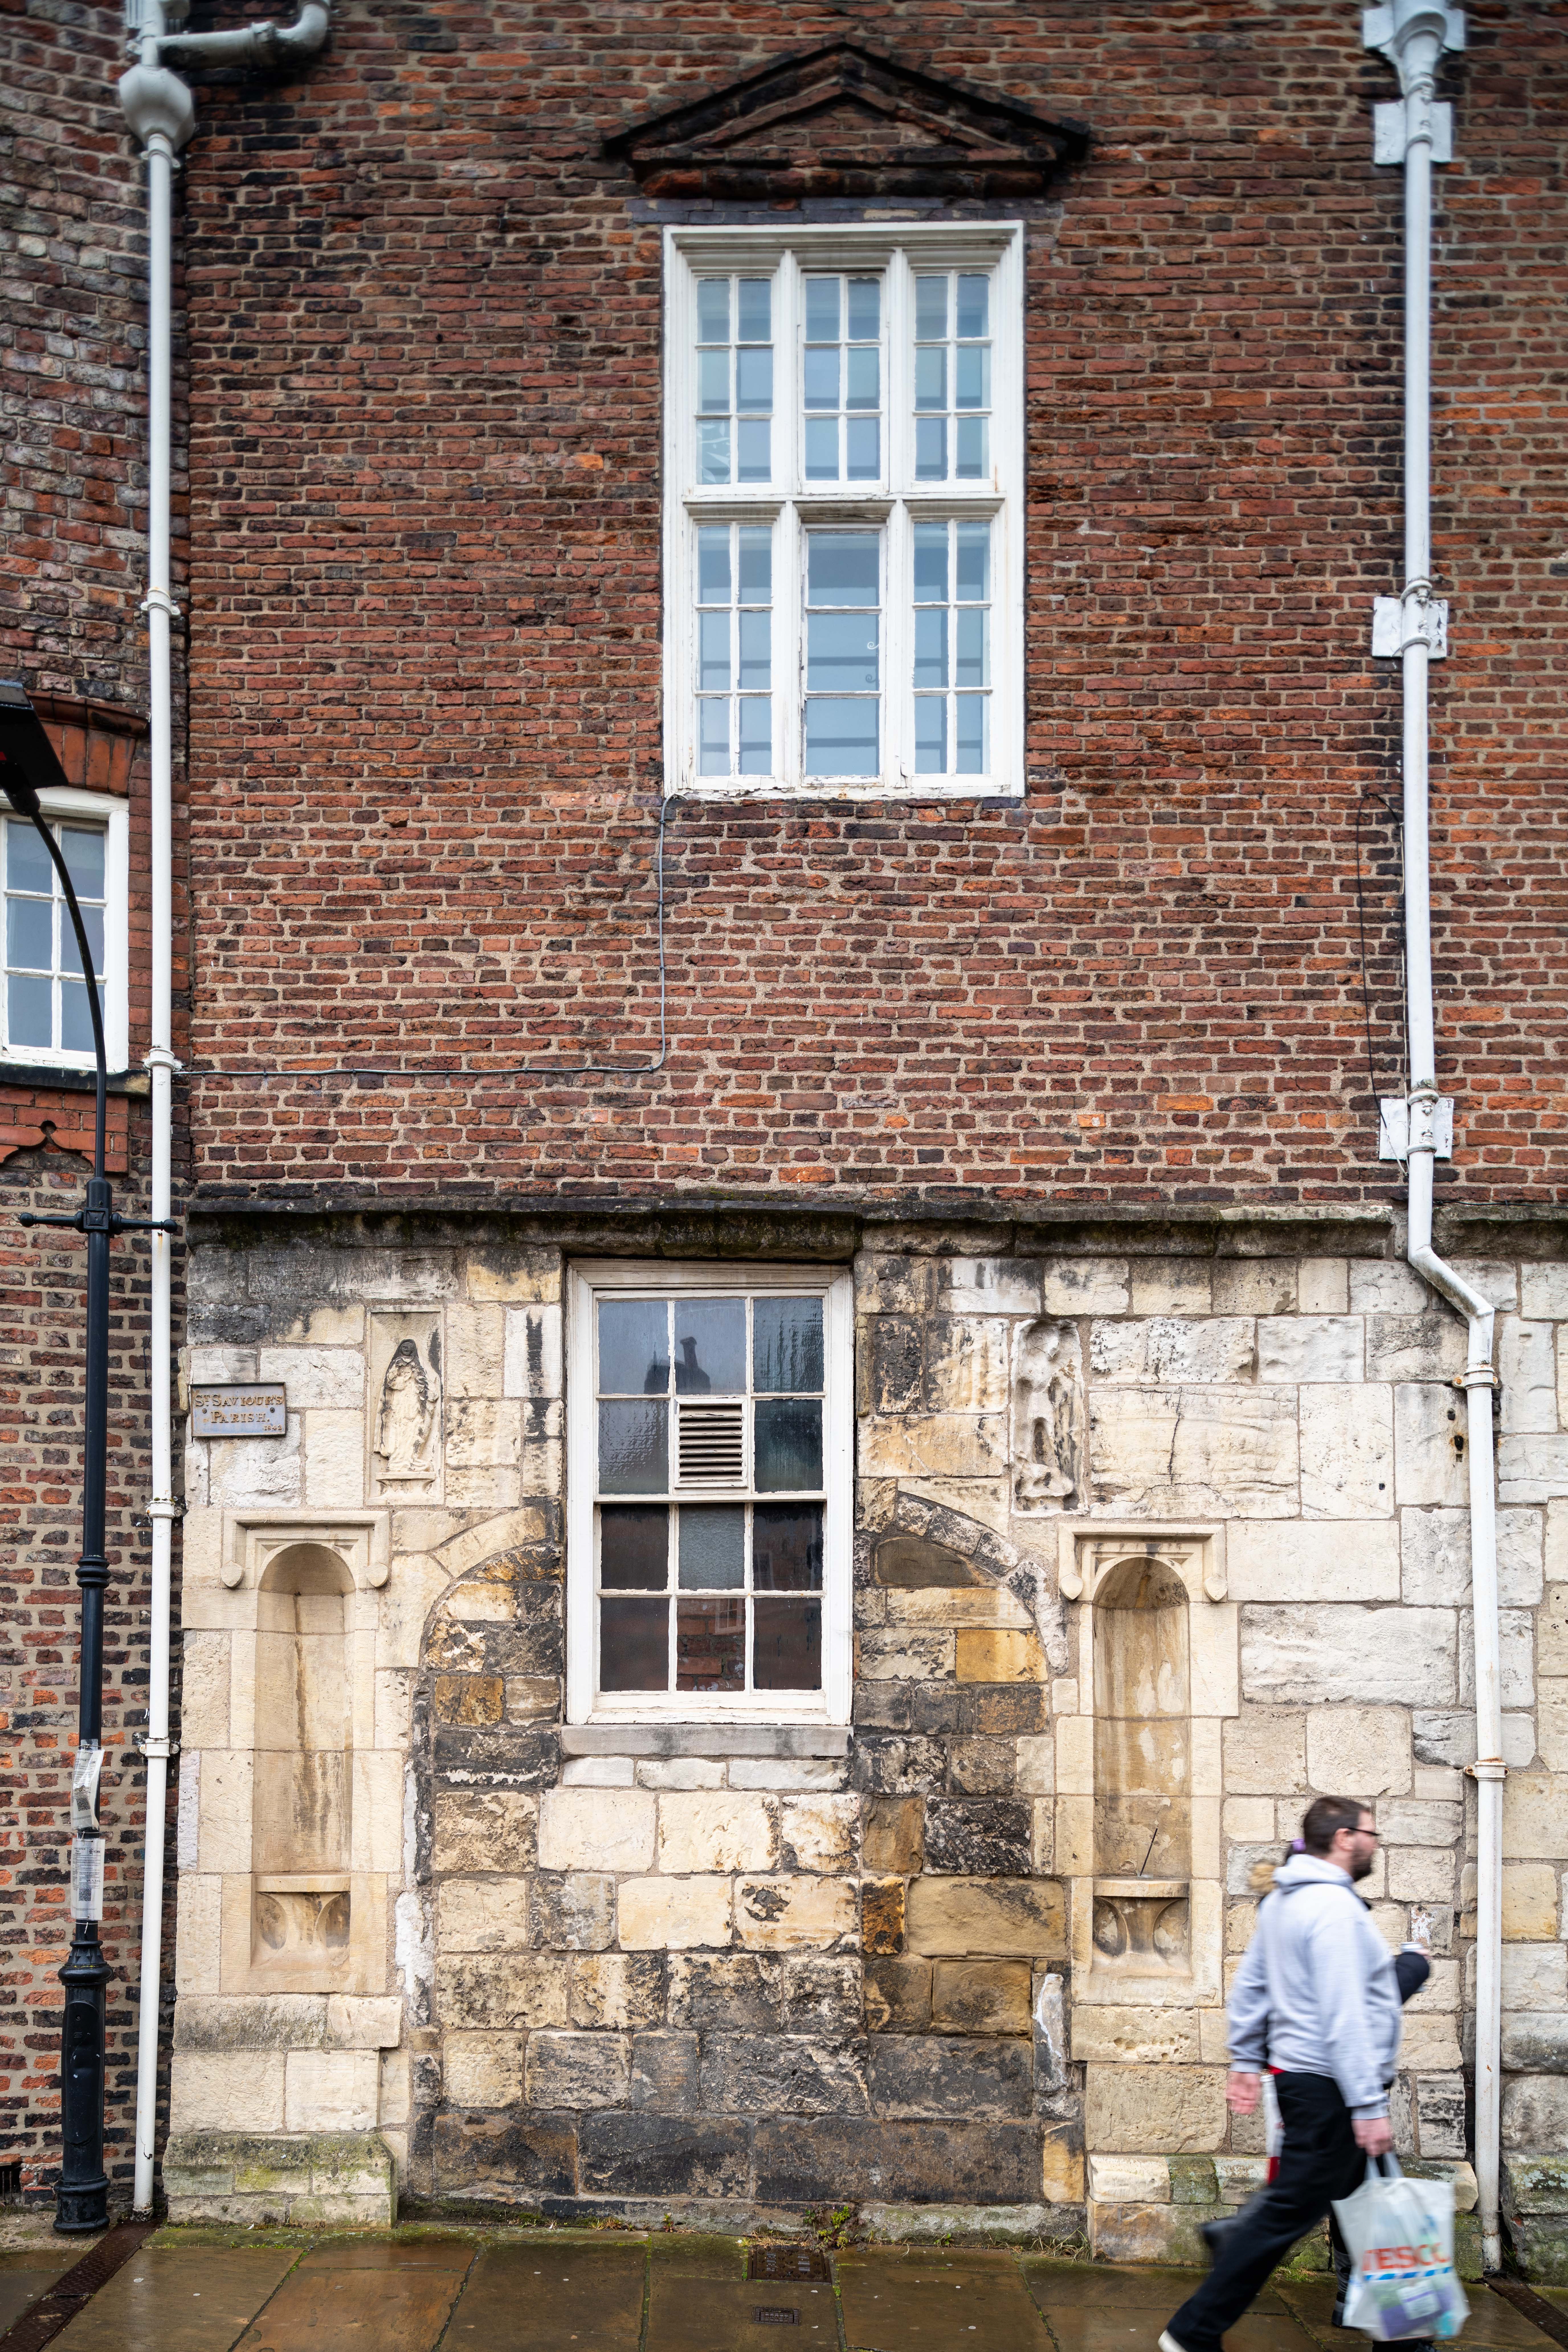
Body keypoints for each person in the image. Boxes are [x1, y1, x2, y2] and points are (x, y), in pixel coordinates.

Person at [1161, 1796, 1426, 2352]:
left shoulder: (1284, 1900)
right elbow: (1345, 2014)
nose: (1376, 1844)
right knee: (1287, 2211)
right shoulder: (1333, 1909)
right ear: (1344, 1838)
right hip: (1331, 2088)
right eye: (1371, 1834)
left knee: (1374, 2210)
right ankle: (1193, 2330)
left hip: (1312, 2083)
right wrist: (1369, 2107)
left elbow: (1253, 1985)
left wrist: (1245, 2060)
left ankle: (1403, 2338)